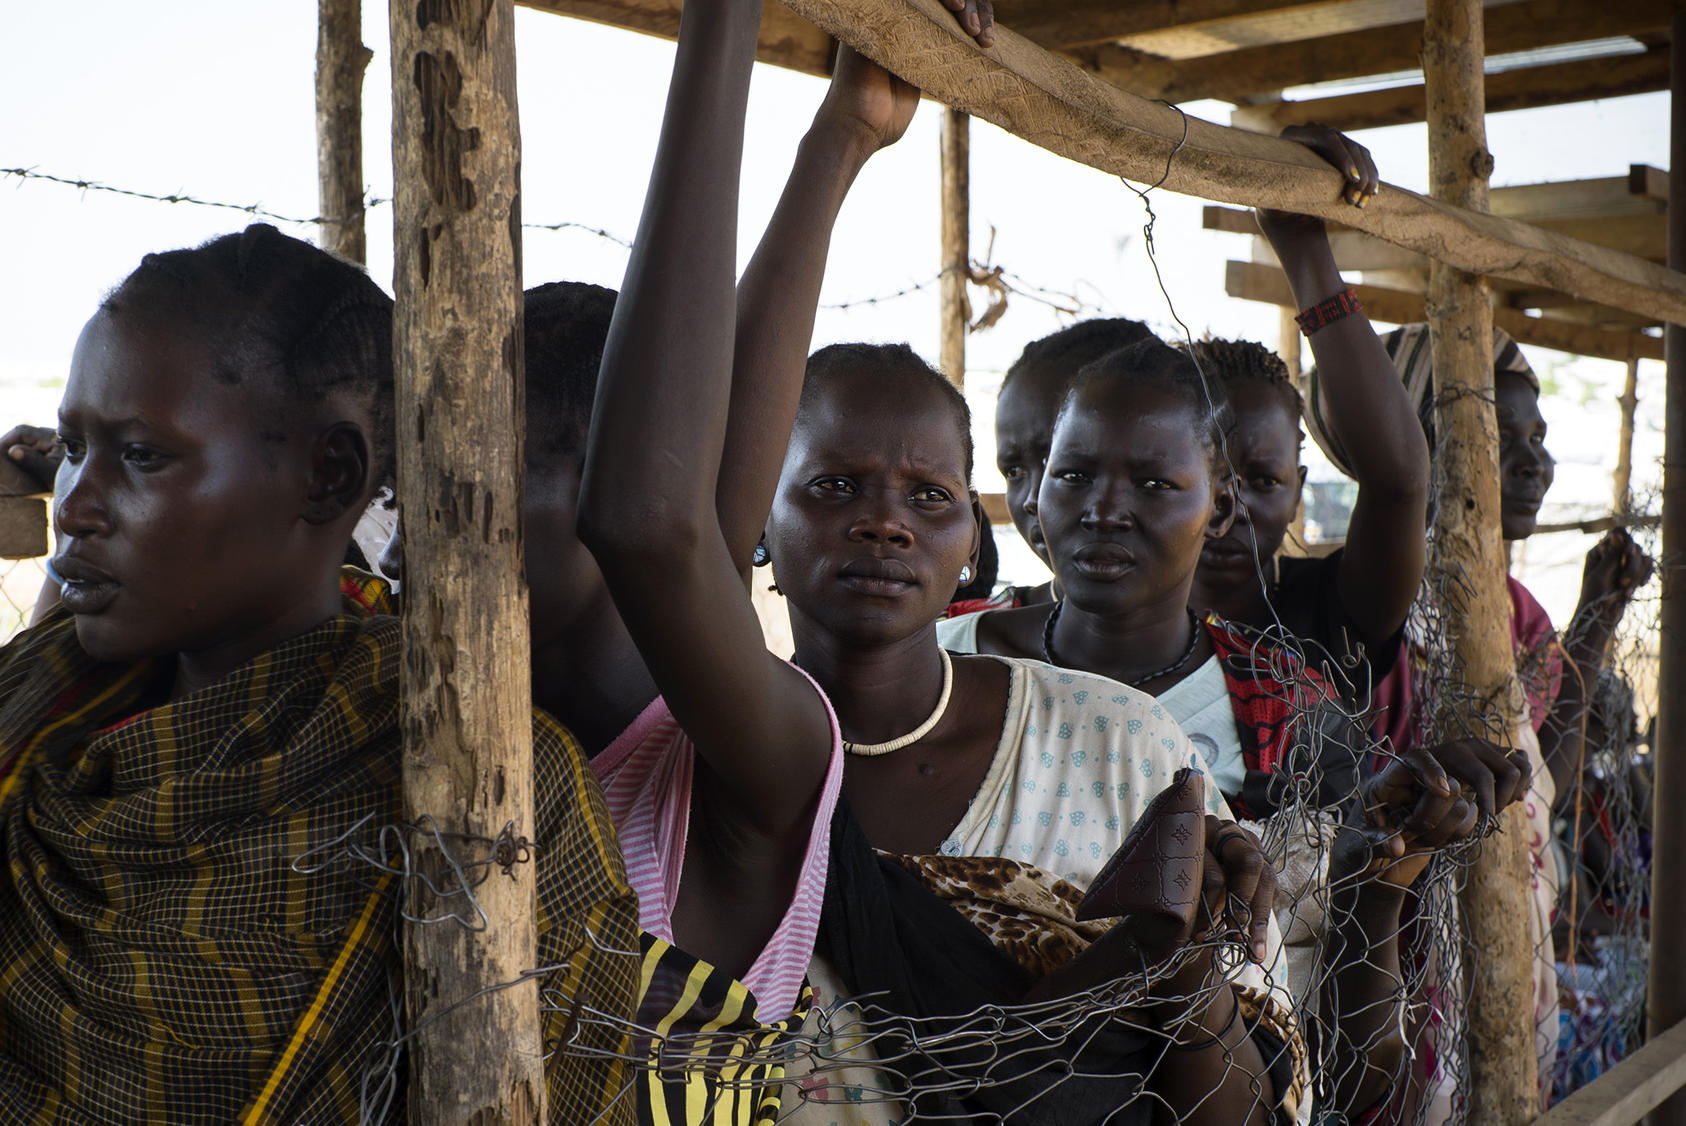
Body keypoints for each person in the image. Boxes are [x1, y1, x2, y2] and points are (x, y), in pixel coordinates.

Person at [0, 225, 642, 1125]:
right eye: (73, 447)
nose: (72, 506)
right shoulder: (42, 706)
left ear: (328, 475)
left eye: (141, 456)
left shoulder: (478, 787)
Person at [1360, 323, 1654, 1104]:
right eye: (1496, 438)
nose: (1534, 464)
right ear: (1415, 450)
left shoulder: (1514, 612)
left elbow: (1537, 790)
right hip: (1396, 964)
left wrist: (1597, 615)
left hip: (1509, 956)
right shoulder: (1379, 598)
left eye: (1538, 436)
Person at [972, 318, 1154, 612]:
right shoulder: (954, 645)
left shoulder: (1243, 651)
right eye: (1014, 472)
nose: (1033, 499)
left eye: (1066, 468)